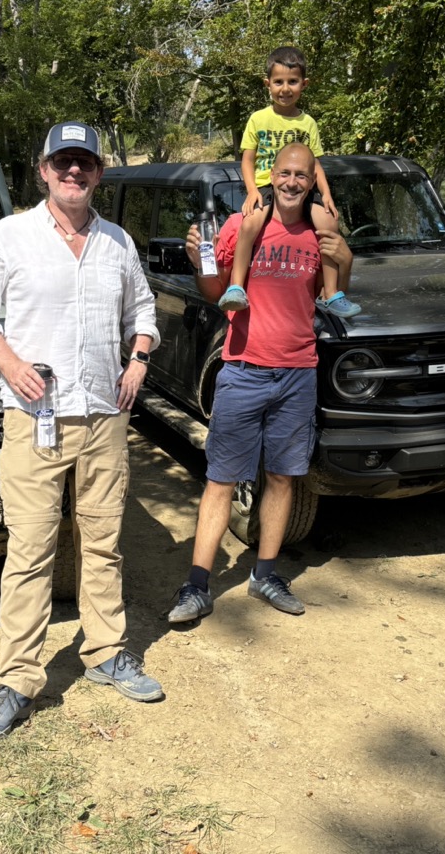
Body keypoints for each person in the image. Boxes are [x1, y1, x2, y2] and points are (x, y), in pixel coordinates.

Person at [0, 121, 164, 742]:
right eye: (63, 163)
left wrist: (139, 361)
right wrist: (12, 363)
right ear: (43, 168)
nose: (75, 173)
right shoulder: (10, 236)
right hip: (34, 420)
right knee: (30, 550)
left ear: (98, 173)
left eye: (86, 164)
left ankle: (105, 651)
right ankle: (17, 678)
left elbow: (145, 311)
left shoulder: (116, 242)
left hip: (103, 415)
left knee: (103, 542)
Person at [166, 142, 353, 624]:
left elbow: (335, 296)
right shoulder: (242, 222)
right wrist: (198, 259)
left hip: (298, 372)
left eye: (302, 176)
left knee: (283, 477)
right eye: (285, 173)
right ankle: (197, 585)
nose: (292, 182)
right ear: (273, 174)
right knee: (221, 479)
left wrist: (346, 260)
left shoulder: (321, 228)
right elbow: (216, 291)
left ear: (312, 181)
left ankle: (265, 574)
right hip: (244, 370)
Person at [218, 45, 360, 319]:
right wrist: (251, 191)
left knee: (329, 224)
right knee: (249, 224)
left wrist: (326, 194)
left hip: (302, 189)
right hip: (267, 186)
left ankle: (331, 293)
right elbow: (247, 160)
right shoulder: (258, 119)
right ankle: (236, 286)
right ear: (267, 84)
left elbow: (315, 164)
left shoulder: (308, 123)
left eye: (292, 82)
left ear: (303, 84)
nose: (285, 88)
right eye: (279, 81)